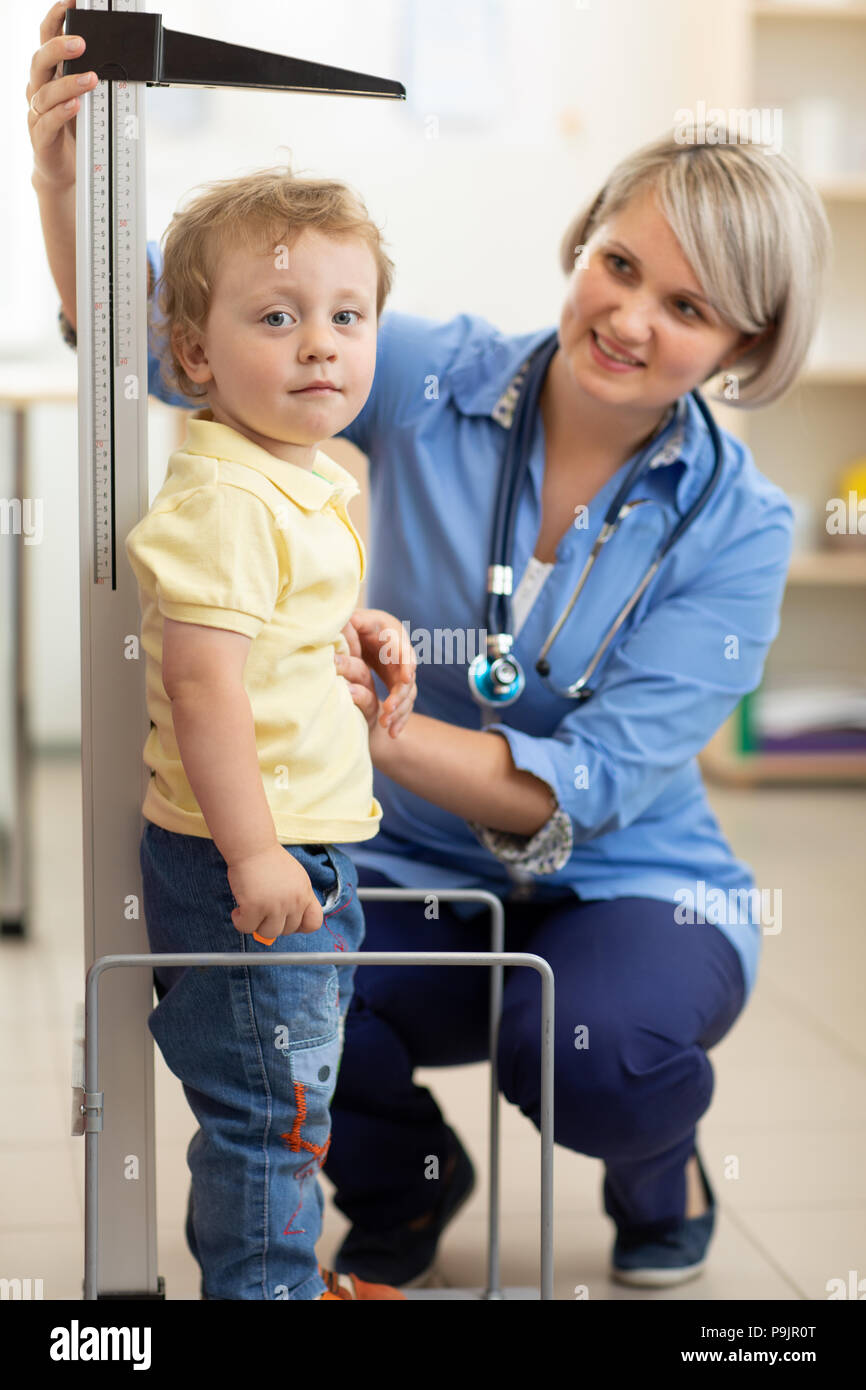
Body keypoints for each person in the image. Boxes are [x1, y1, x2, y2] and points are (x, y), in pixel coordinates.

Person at [30, 2, 831, 1291]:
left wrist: (378, 727)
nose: (628, 317)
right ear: (580, 247)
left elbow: (597, 782)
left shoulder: (740, 522)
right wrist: (66, 175)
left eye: (686, 306)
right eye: (616, 265)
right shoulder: (434, 374)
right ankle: (408, 1177)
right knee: (275, 1004)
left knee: (596, 1050)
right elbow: (174, 347)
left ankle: (655, 1164)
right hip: (399, 854)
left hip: (623, 876)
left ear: (740, 346)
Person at [126, 152, 418, 1299]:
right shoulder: (231, 498)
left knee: (289, 1103)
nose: (320, 345)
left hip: (295, 847)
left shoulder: (288, 477)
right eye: (278, 316)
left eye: (348, 316)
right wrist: (254, 855)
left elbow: (269, 641)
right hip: (256, 857)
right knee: (269, 1119)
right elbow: (203, 686)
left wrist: (358, 624)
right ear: (195, 354)